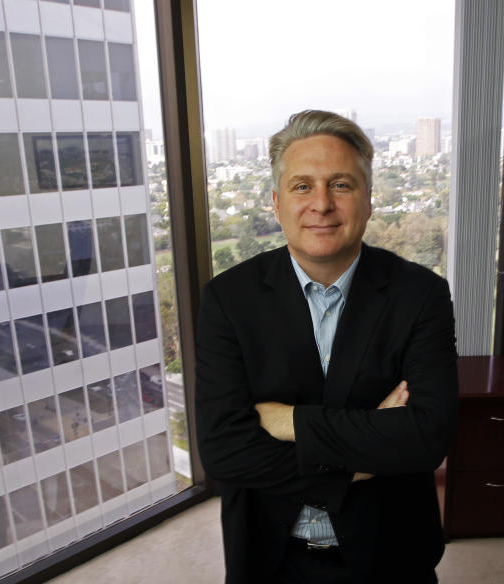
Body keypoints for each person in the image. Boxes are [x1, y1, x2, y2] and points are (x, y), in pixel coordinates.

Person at [195, 109, 458, 583]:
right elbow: (223, 450)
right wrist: (364, 455)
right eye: (302, 186)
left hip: (392, 553)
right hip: (271, 558)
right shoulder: (228, 299)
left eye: (341, 184)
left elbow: (426, 439)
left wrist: (288, 420)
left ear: (369, 199)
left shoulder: (421, 295)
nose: (321, 203)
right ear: (276, 203)